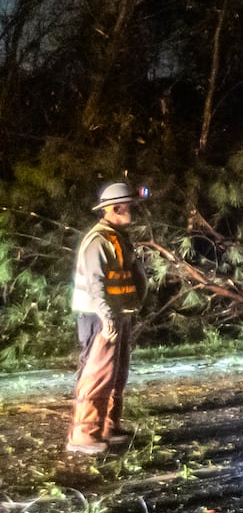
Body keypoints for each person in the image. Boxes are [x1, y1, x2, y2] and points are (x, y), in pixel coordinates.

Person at [67, 181, 146, 455]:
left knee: (117, 374)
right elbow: (95, 283)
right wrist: (106, 315)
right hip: (99, 315)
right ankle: (84, 434)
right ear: (115, 208)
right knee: (97, 373)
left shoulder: (118, 239)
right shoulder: (98, 241)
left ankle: (108, 427)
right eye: (128, 207)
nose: (133, 212)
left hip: (118, 313)